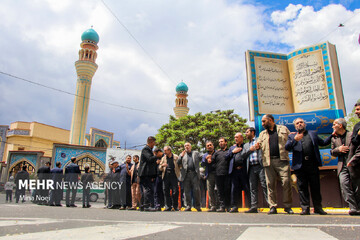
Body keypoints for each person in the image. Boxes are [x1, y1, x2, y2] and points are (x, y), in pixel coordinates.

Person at [285, 118, 332, 215]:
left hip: (312, 164)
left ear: (305, 124)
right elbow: (287, 147)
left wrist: (332, 135)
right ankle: (305, 208)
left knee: (315, 187)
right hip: (300, 166)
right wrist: (294, 140)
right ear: (295, 126)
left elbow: (323, 143)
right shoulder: (292, 136)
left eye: (301, 122)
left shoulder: (312, 133)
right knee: (302, 188)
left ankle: (318, 208)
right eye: (297, 123)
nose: (299, 124)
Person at [256, 114, 294, 214]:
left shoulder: (283, 129)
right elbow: (258, 144)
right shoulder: (262, 134)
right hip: (268, 162)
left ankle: (287, 206)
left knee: (286, 182)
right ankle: (272, 206)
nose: (262, 124)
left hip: (282, 160)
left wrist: (294, 137)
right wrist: (256, 146)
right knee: (270, 184)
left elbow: (291, 140)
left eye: (264, 121)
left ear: (271, 120)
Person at [331, 118, 360, 215]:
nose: (333, 126)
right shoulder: (334, 138)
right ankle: (353, 207)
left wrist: (353, 160)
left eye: (334, 124)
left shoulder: (352, 135)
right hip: (342, 166)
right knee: (344, 186)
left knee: (357, 187)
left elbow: (358, 149)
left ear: (340, 125)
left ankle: (358, 206)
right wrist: (338, 149)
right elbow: (332, 152)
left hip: (354, 165)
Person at [241, 127, 268, 213]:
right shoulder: (246, 145)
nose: (246, 134)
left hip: (261, 166)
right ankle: (254, 206)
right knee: (253, 187)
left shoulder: (259, 140)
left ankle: (271, 205)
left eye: (247, 132)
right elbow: (243, 155)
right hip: (251, 168)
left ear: (252, 132)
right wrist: (250, 150)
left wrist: (259, 147)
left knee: (265, 185)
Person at [226, 133, 250, 212]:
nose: (235, 138)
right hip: (234, 171)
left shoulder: (246, 146)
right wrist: (233, 152)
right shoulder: (232, 147)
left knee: (247, 188)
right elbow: (226, 157)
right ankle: (234, 206)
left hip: (244, 170)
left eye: (237, 137)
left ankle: (251, 206)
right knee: (234, 189)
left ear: (242, 138)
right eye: (234, 137)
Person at [138, 136, 163, 211]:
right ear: (151, 142)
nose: (154, 145)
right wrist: (156, 156)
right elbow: (149, 159)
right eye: (154, 143)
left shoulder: (149, 150)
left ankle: (142, 205)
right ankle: (146, 205)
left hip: (147, 173)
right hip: (145, 173)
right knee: (148, 189)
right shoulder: (146, 149)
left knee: (146, 189)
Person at [177, 142, 202, 212]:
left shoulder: (196, 153)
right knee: (186, 191)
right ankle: (188, 206)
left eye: (187, 145)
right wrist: (181, 156)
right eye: (185, 146)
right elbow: (178, 162)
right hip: (186, 174)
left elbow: (202, 157)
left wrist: (208, 157)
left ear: (190, 147)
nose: (186, 147)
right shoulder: (182, 154)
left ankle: (197, 206)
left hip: (194, 174)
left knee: (196, 190)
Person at [212, 137, 231, 212]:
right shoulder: (217, 153)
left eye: (222, 141)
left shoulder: (229, 151)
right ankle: (222, 207)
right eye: (219, 142)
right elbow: (212, 162)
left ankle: (228, 206)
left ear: (226, 142)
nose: (220, 143)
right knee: (220, 191)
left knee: (227, 190)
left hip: (227, 174)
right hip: (218, 174)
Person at [159, 146, 180, 211]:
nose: (164, 152)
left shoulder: (176, 157)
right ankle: (168, 206)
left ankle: (175, 206)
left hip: (174, 175)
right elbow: (159, 167)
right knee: (166, 191)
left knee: (175, 191)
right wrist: (162, 165)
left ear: (169, 150)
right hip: (166, 176)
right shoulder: (163, 158)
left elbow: (180, 165)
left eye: (165, 150)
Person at [201, 141, 217, 212]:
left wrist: (212, 158)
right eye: (208, 146)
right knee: (210, 191)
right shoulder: (205, 155)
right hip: (209, 174)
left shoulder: (217, 153)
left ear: (213, 145)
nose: (209, 146)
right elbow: (202, 164)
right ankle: (213, 206)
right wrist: (206, 159)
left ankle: (220, 205)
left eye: (210, 145)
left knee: (218, 190)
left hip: (218, 174)